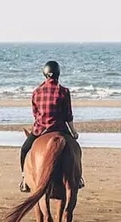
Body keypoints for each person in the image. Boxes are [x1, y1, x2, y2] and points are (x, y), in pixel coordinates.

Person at [19, 60, 82, 192]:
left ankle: (24, 179)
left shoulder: (36, 92)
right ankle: (79, 178)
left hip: (40, 130)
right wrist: (74, 132)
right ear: (58, 74)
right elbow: (68, 115)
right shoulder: (64, 91)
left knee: (24, 150)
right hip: (60, 129)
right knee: (77, 150)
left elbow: (36, 115)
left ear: (45, 74)